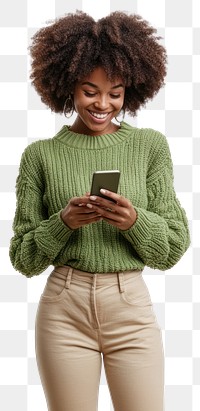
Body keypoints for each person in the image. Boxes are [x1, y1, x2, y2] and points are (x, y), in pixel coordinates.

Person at [9, 10, 190, 411]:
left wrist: (134, 222)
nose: (103, 104)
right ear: (67, 86)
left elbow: (174, 246)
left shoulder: (150, 146)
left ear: (131, 90)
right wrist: (64, 223)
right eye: (90, 91)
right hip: (63, 309)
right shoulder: (40, 156)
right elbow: (22, 258)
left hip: (130, 306)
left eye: (116, 92)